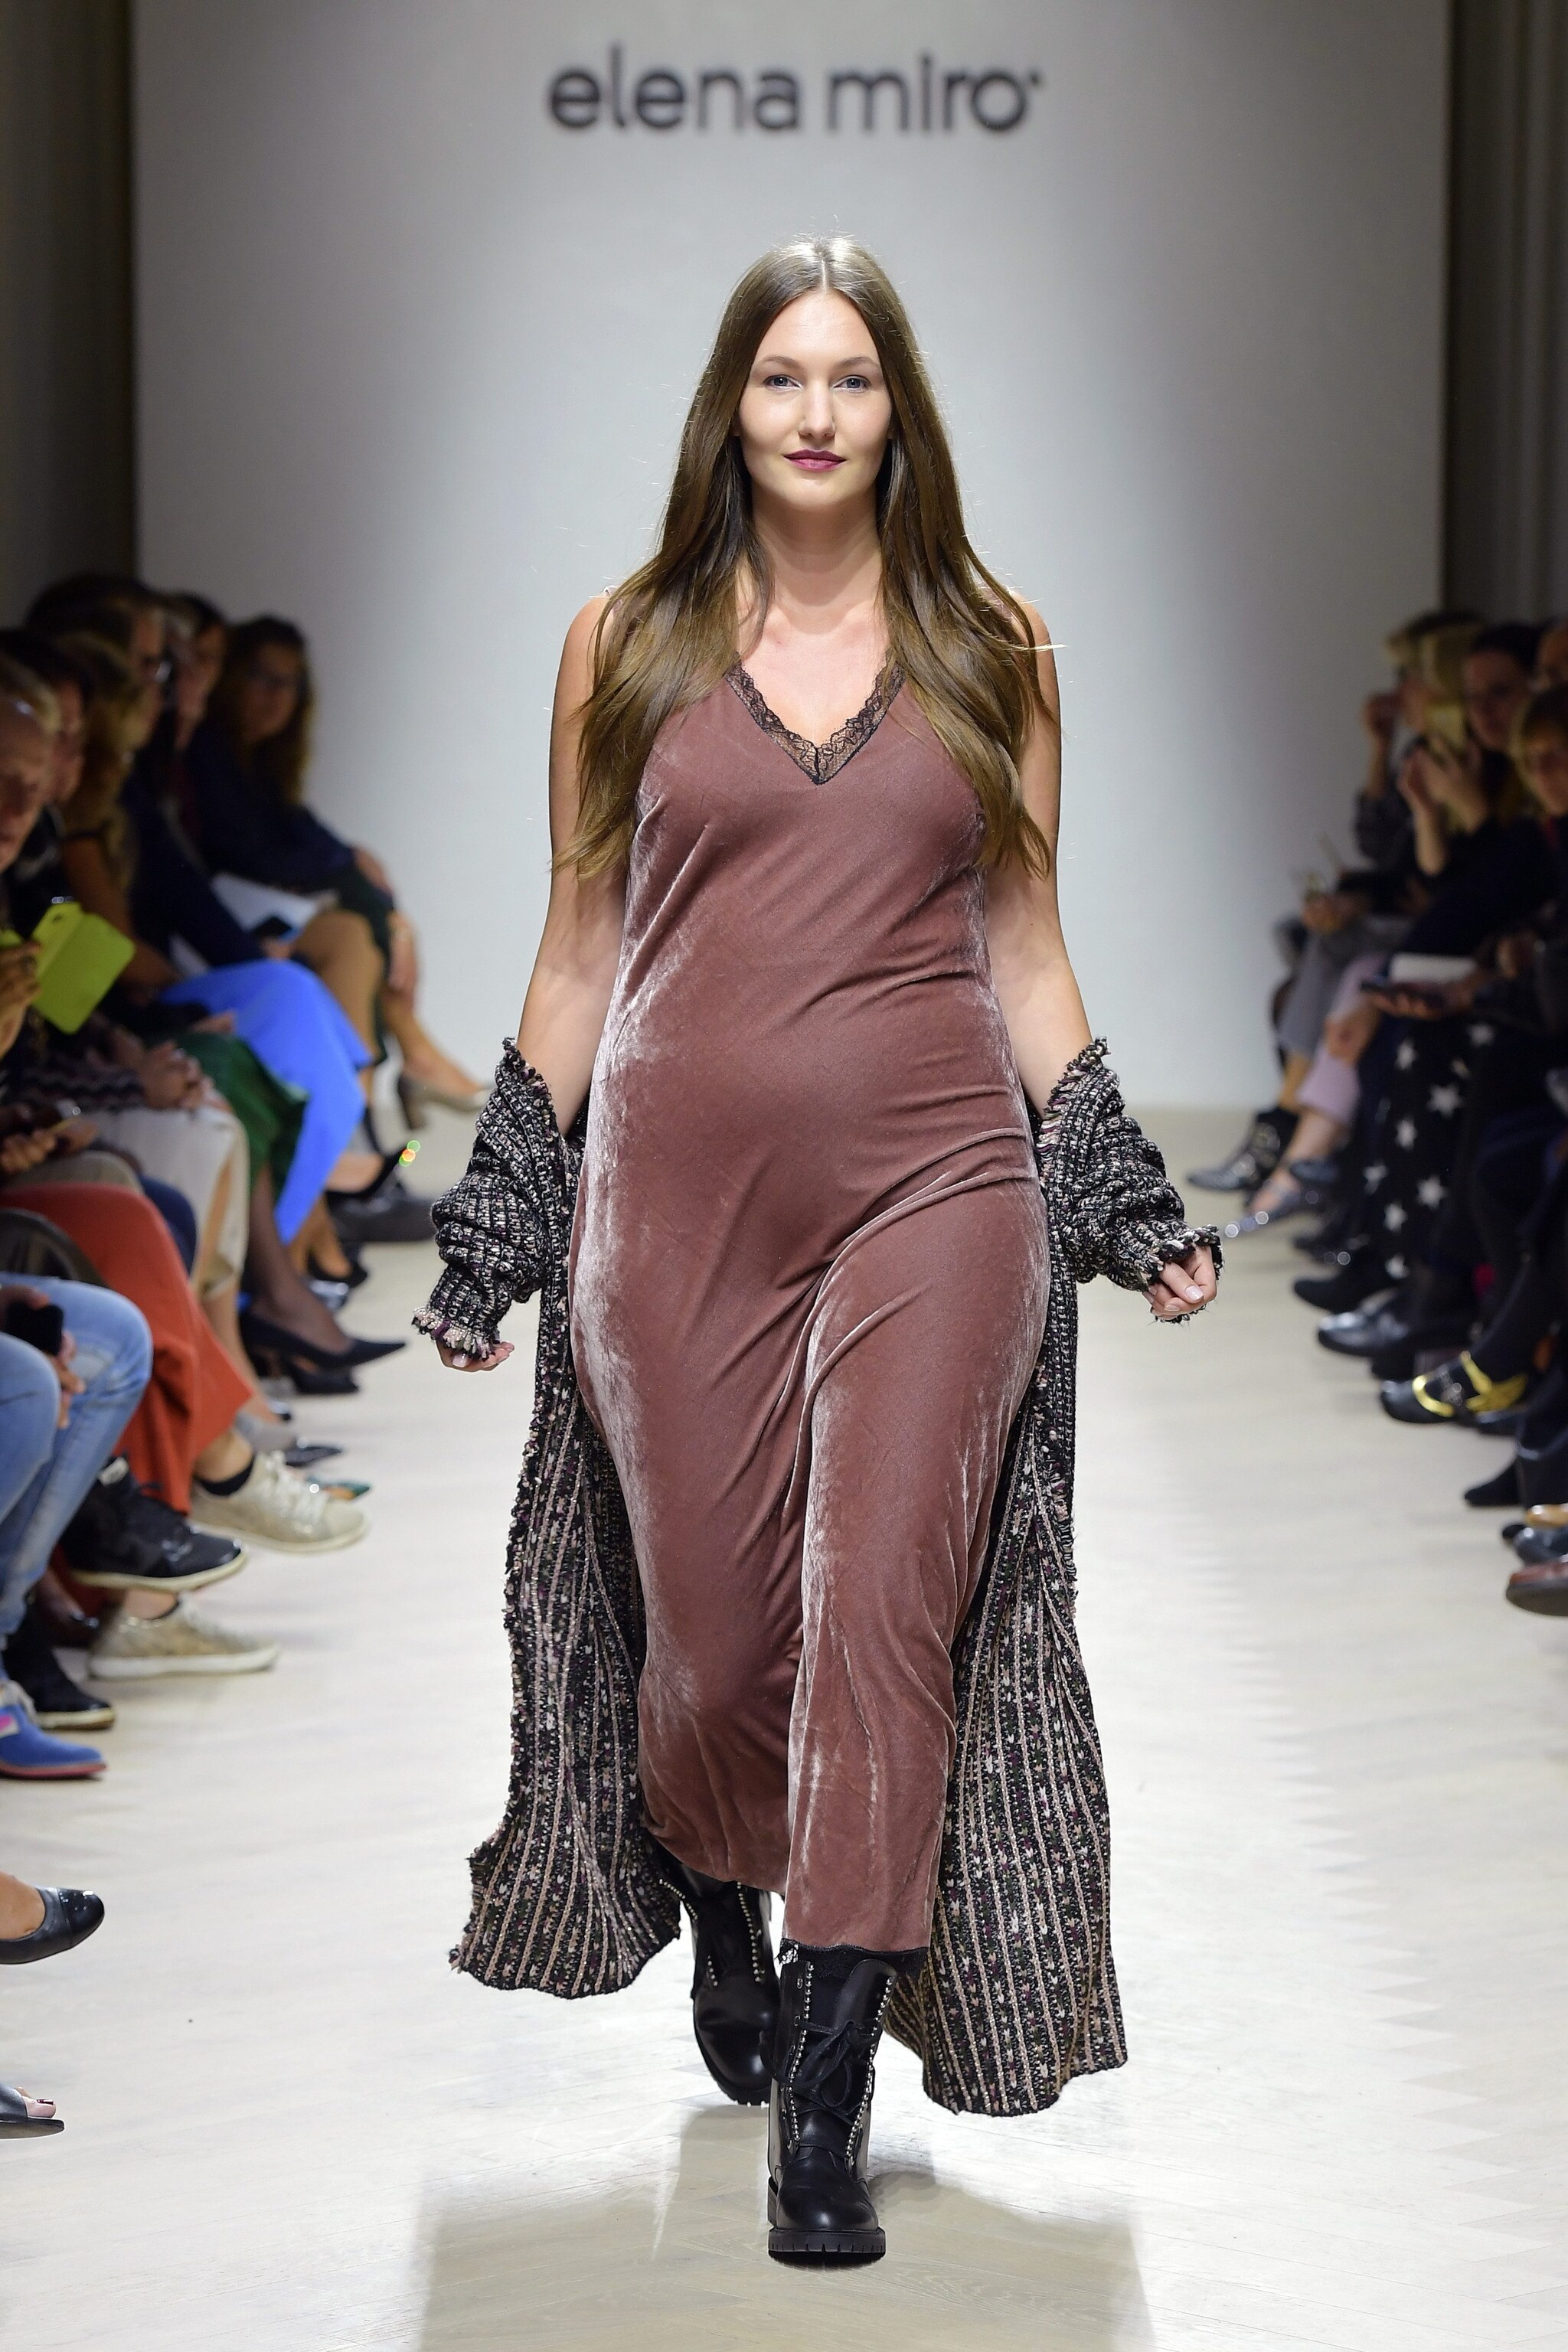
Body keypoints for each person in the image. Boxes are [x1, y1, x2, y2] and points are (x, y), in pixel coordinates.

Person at [416, 237, 1218, 2265]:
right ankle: (718, 1885)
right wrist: (502, 1209)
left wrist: (1113, 1181)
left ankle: (828, 2092)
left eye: (852, 378)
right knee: (706, 1643)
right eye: (782, 375)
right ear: (730, 403)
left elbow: (1024, 943)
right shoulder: (625, 644)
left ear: (899, 412)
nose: (815, 412)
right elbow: (577, 951)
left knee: (881, 1620)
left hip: (940, 1187)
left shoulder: (995, 646)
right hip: (670, 1201)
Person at [191, 616, 486, 1112]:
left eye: (290, 683)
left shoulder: (258, 766)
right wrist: (386, 913)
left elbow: (313, 844)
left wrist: (390, 912)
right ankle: (400, 1071)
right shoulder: (205, 756)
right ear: (233, 676)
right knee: (353, 932)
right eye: (263, 677)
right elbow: (253, 855)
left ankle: (376, 1099)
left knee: (358, 924)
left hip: (243, 919)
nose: (276, 697)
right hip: (215, 931)